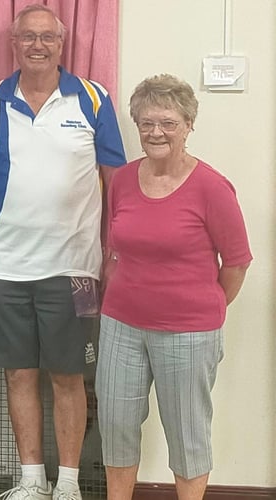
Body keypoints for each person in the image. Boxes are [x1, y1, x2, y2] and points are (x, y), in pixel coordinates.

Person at [0, 5, 127, 500]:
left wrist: (114, 251)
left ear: (62, 45)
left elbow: (115, 183)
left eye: (48, 38)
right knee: (19, 373)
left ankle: (70, 484)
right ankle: (32, 481)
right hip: (7, 267)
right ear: (13, 44)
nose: (38, 46)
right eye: (28, 38)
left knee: (69, 376)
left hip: (76, 270)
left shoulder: (93, 99)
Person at [96, 74, 252, 500]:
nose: (155, 132)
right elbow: (114, 250)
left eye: (167, 122)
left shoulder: (212, 188)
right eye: (146, 123)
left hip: (188, 331)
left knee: (187, 434)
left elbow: (236, 263)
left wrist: (207, 306)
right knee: (116, 427)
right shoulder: (124, 180)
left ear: (188, 125)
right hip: (120, 327)